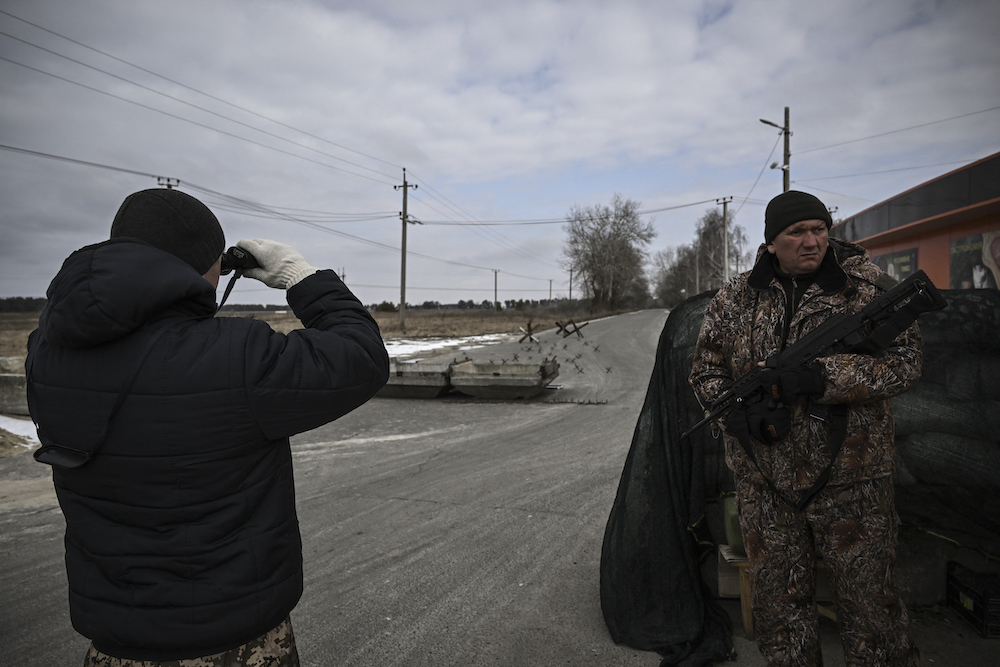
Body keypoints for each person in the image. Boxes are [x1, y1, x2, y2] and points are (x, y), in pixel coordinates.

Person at [26, 188, 389, 666]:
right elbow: (362, 356)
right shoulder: (240, 356)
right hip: (236, 642)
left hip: (114, 640)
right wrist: (303, 278)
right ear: (203, 268)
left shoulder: (45, 353)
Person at [689, 190, 922, 666]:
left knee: (871, 609)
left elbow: (905, 363)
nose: (812, 241)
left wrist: (821, 379)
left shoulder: (866, 288)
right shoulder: (736, 296)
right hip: (765, 481)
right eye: (797, 232)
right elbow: (706, 368)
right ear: (772, 242)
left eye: (819, 229)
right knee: (780, 611)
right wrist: (736, 412)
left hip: (852, 479)